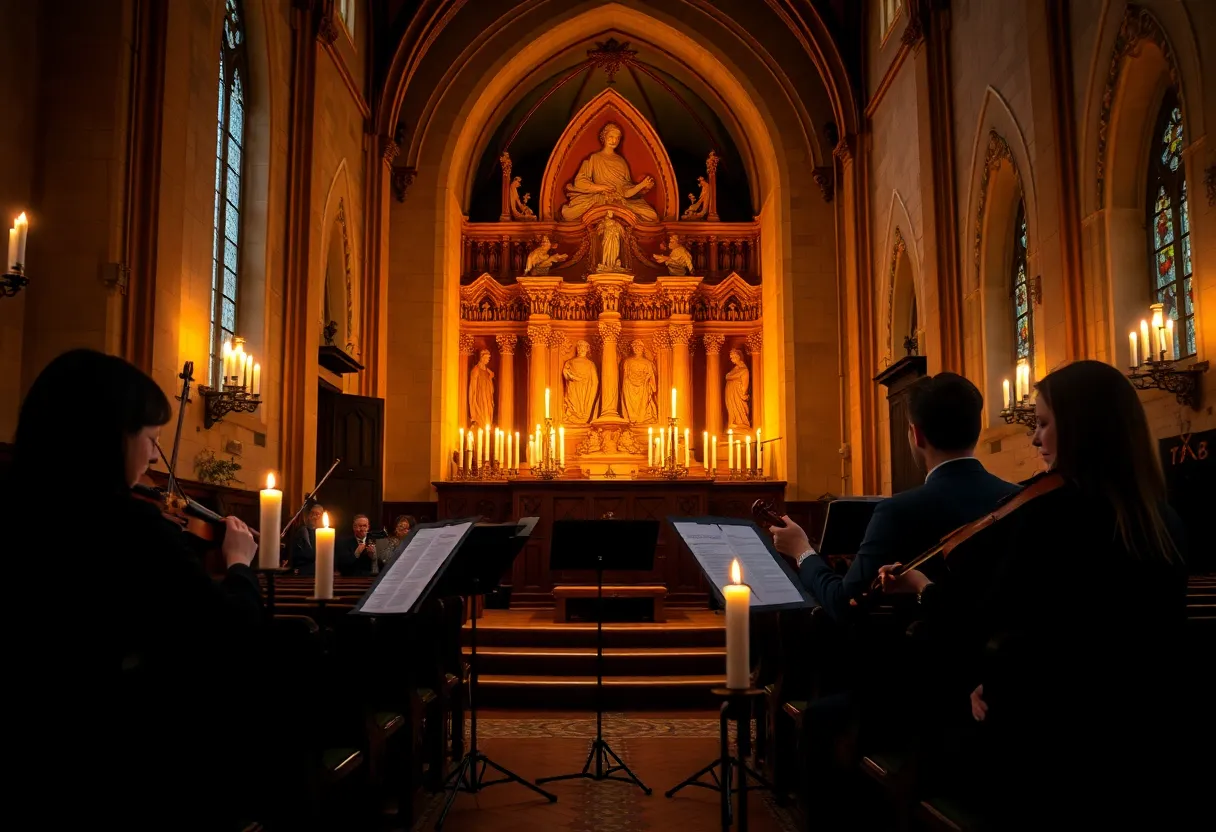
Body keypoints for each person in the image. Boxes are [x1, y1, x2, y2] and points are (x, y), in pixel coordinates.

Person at [879, 360, 1190, 828]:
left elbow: (981, 618)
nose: (1035, 437)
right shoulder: (1165, 521)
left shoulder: (1052, 516)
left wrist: (923, 589)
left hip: (1049, 755)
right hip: (1148, 747)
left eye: (1044, 423)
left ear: (1082, 429)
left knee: (917, 746)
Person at [3, 349, 262, 827]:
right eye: (150, 439)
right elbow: (226, 637)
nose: (151, 456)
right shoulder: (127, 527)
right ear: (111, 437)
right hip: (117, 763)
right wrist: (240, 565)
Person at [772, 372, 1018, 621]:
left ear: (916, 434)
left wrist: (801, 550)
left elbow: (844, 601)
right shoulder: (1019, 499)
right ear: (976, 427)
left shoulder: (898, 511)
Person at [287, 502, 325, 574]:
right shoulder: (302, 532)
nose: (314, 516)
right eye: (312, 513)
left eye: (317, 514)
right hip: (304, 571)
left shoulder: (327, 535)